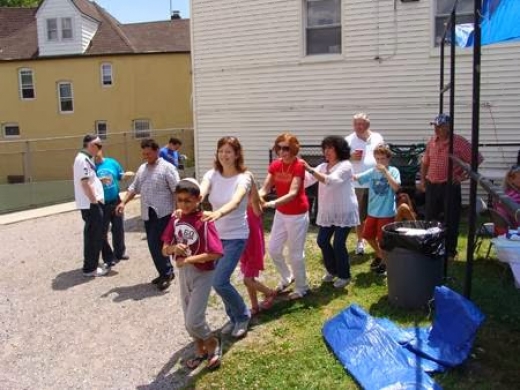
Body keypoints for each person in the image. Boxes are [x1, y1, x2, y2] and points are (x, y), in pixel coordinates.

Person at [161, 178, 223, 371]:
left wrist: (187, 259)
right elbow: (164, 250)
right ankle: (200, 350)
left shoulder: (204, 221)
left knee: (193, 319)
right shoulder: (176, 218)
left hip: (203, 273)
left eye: (188, 200)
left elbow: (216, 253)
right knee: (187, 318)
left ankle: (212, 342)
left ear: (199, 199)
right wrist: (173, 248)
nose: (184, 204)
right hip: (184, 273)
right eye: (180, 200)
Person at [199, 136, 252, 338]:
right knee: (217, 280)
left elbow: (237, 200)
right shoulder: (212, 175)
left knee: (219, 281)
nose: (224, 155)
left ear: (237, 154)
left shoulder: (244, 177)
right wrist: (193, 203)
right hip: (215, 237)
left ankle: (243, 316)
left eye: (229, 151)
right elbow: (201, 192)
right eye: (221, 150)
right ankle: (233, 317)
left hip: (237, 235)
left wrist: (218, 213)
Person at [117, 138, 179, 291]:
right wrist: (123, 202)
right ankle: (165, 272)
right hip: (147, 213)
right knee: (153, 245)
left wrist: (179, 211)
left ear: (157, 151)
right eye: (144, 154)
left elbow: (177, 190)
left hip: (163, 213)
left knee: (155, 243)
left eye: (149, 153)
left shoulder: (167, 168)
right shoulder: (142, 169)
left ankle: (166, 273)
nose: (146, 156)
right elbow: (134, 187)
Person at [419, 114, 483, 260]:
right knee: (430, 217)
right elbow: (425, 162)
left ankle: (450, 251)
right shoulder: (432, 141)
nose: (436, 129)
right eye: (435, 126)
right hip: (432, 184)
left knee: (451, 218)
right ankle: (431, 246)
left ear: (448, 127)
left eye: (440, 126)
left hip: (449, 185)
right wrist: (422, 180)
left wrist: (462, 176)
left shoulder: (458, 142)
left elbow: (477, 159)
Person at [303, 136, 359, 289]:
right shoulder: (321, 166)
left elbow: (331, 180)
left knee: (339, 243)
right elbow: (306, 181)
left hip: (344, 211)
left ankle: (344, 275)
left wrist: (309, 168)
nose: (326, 151)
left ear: (339, 150)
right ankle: (332, 270)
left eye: (330, 148)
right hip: (329, 212)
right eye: (325, 148)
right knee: (322, 241)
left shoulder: (346, 165)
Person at [259, 132, 310, 300]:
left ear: (294, 149)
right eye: (278, 148)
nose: (281, 151)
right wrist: (257, 197)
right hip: (282, 213)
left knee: (295, 253)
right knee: (274, 249)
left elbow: (294, 192)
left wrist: (271, 204)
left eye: (286, 148)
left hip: (297, 214)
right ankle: (287, 276)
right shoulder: (275, 165)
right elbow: (266, 188)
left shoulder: (299, 165)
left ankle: (302, 287)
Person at [354, 143, 401, 276]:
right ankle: (381, 256)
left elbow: (396, 187)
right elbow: (358, 177)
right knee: (367, 235)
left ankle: (386, 264)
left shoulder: (393, 171)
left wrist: (386, 172)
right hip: (372, 211)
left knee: (383, 240)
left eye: (383, 159)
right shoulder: (373, 171)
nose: (380, 162)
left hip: (386, 212)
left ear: (388, 159)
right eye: (377, 159)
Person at [345, 113, 384, 256]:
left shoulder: (377, 137)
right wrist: (350, 157)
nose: (358, 127)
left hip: (376, 182)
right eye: (356, 124)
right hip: (357, 184)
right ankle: (360, 241)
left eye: (361, 124)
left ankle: (377, 241)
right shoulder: (348, 140)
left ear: (368, 124)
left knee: (377, 214)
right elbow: (340, 159)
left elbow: (383, 154)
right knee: (359, 215)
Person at [240, 172, 277, 315]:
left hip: (254, 248)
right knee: (251, 279)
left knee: (247, 280)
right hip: (245, 248)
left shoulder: (255, 208)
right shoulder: (240, 207)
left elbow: (254, 199)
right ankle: (255, 306)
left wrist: (251, 184)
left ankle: (270, 293)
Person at [73, 134, 109, 277]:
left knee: (94, 234)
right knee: (93, 236)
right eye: (98, 146)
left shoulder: (85, 159)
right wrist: (95, 202)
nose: (100, 149)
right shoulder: (82, 160)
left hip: (91, 204)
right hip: (91, 204)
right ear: (91, 146)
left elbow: (87, 180)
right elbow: (84, 183)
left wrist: (99, 180)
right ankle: (90, 268)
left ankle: (92, 264)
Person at [95, 150, 134, 265]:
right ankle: (108, 257)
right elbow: (89, 183)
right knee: (102, 231)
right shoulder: (91, 166)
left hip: (115, 200)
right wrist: (99, 180)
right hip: (101, 203)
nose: (95, 154)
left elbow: (120, 176)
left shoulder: (112, 162)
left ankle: (120, 252)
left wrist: (125, 175)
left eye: (97, 150)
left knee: (118, 228)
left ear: (101, 151)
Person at [494, 164, 520, 234]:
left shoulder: (505, 194)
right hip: (515, 232)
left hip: (503, 232)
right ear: (511, 179)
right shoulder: (515, 197)